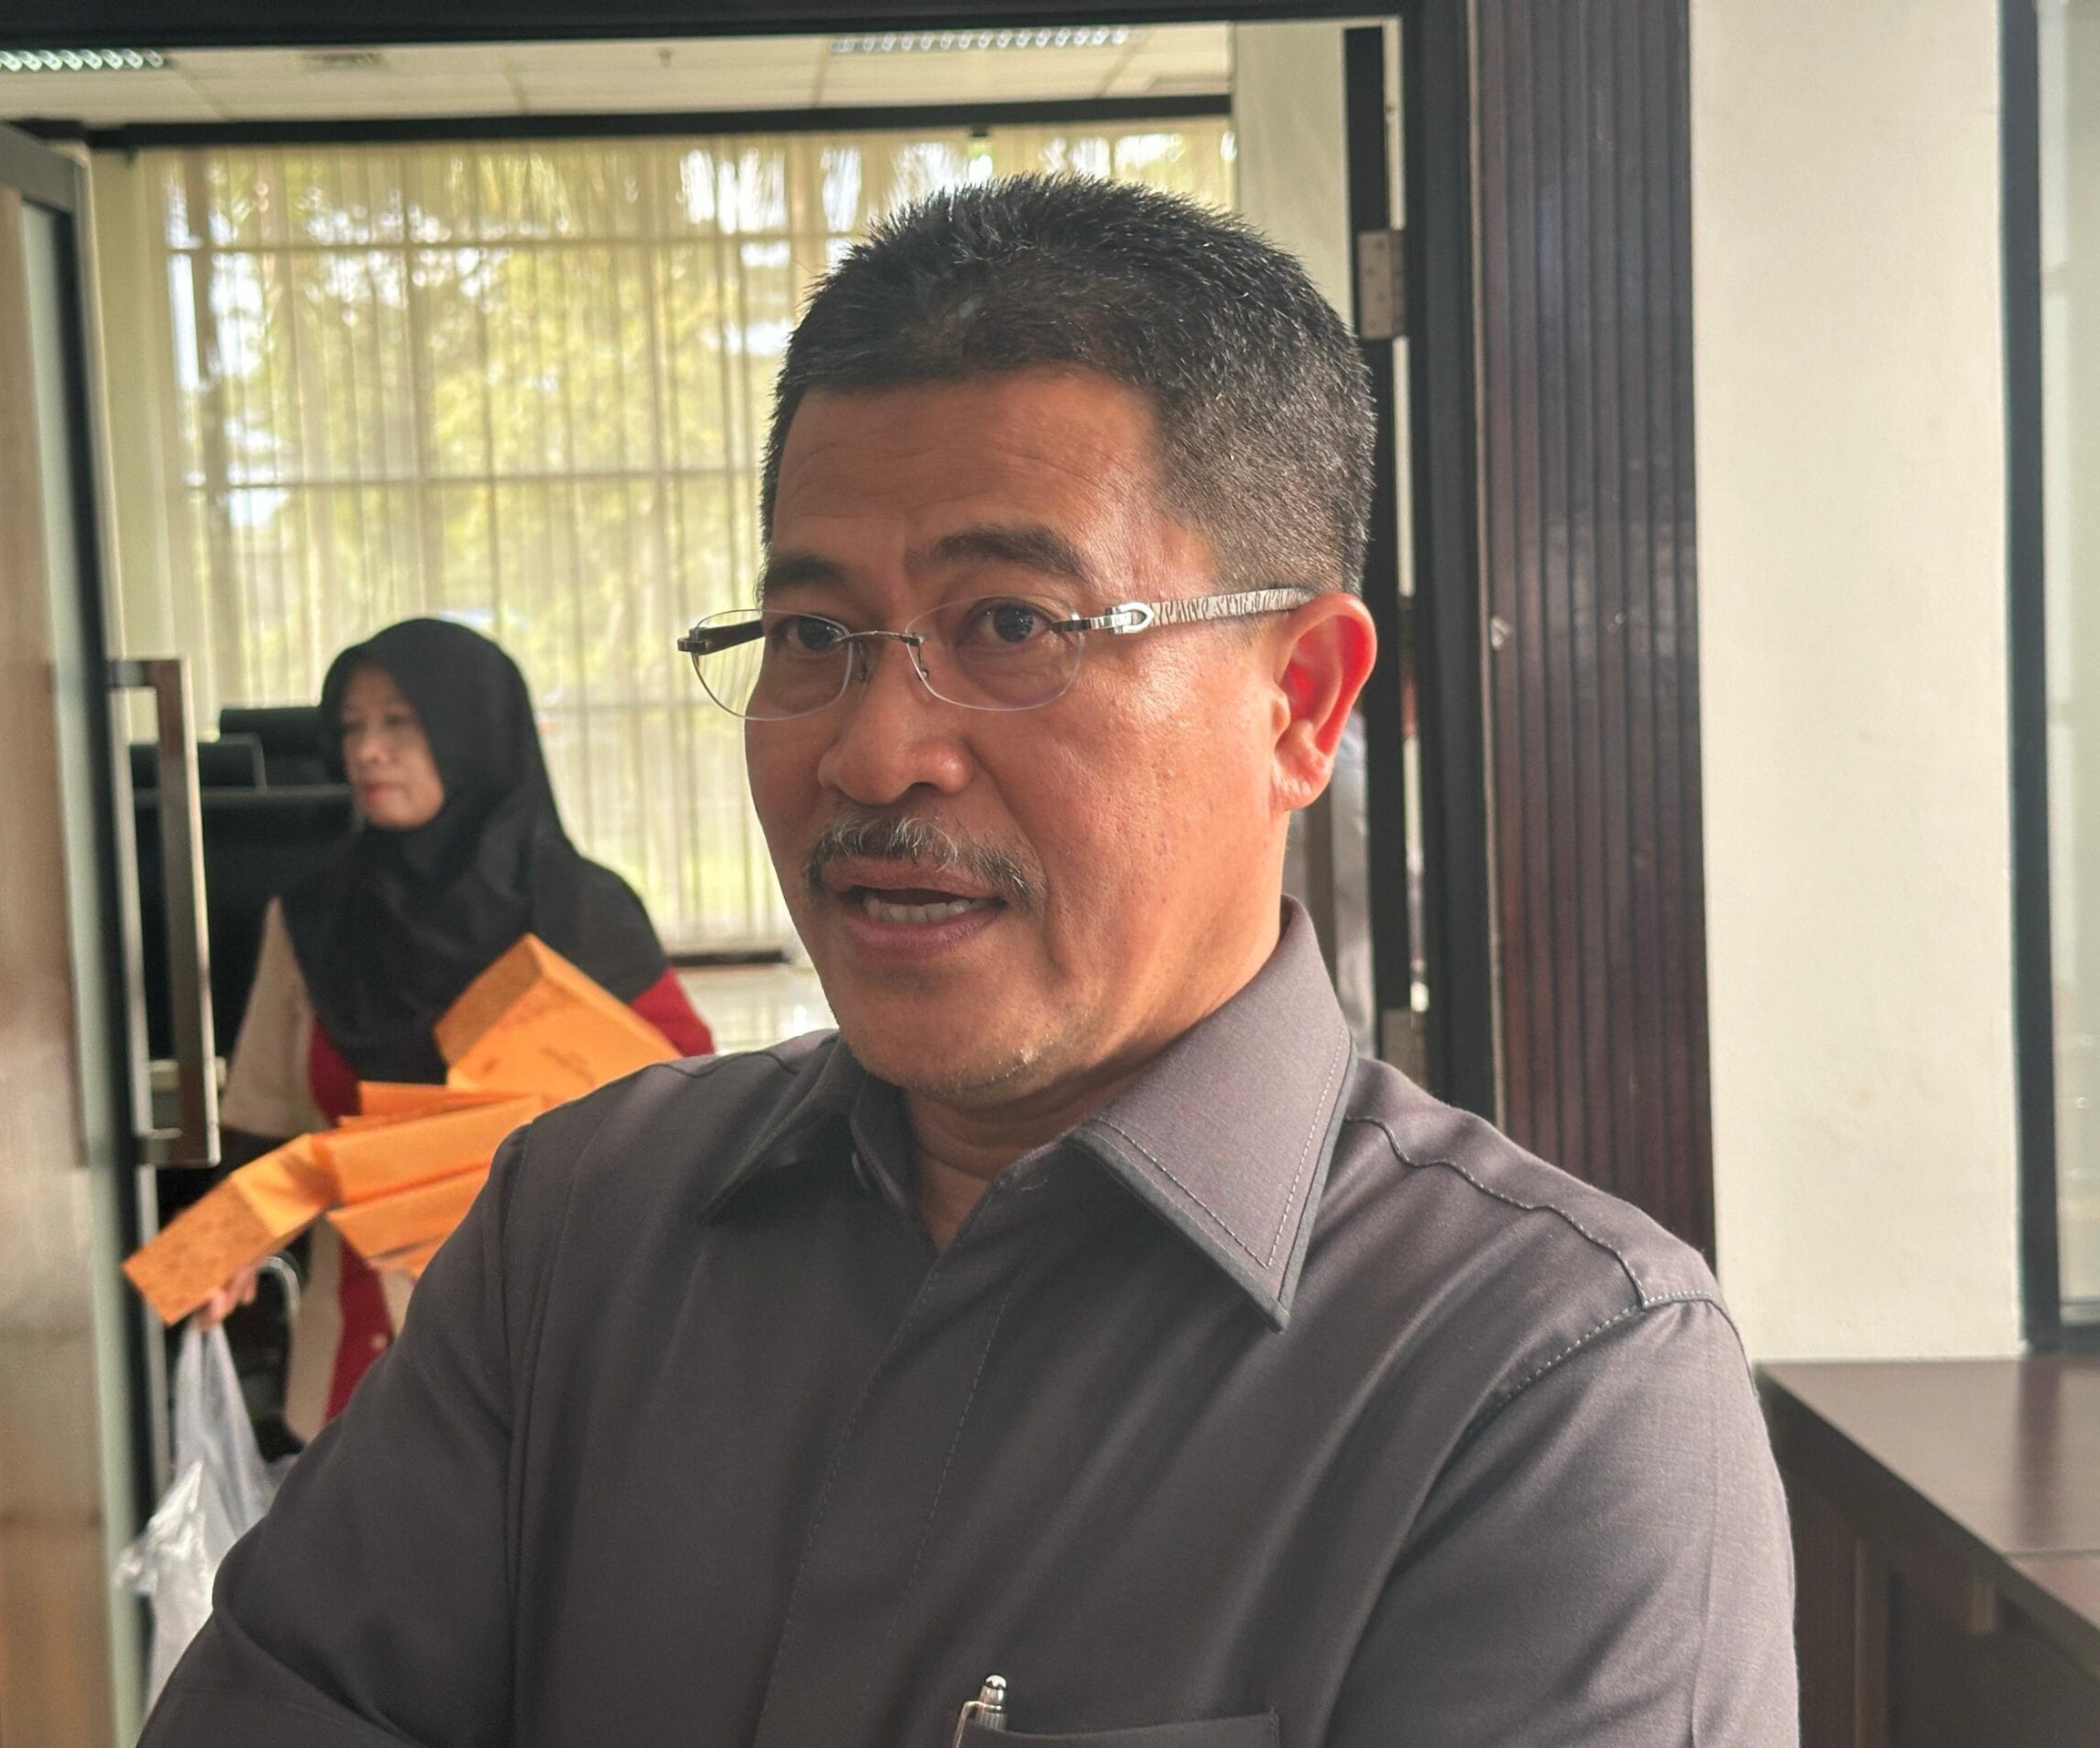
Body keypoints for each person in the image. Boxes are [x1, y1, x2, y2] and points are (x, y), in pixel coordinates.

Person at [146, 178, 1795, 1745]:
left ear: (1298, 704)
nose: (873, 753)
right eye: (813, 637)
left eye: (1012, 625)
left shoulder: (1546, 1384)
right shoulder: (580, 1230)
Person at [207, 618, 709, 1440]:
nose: (368, 751)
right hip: (361, 1361)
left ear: (473, 732)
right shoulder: (310, 920)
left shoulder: (583, 914)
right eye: (352, 727)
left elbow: (693, 1108)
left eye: (400, 722)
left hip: (560, 1357)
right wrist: (215, 1256)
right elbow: (271, 1134)